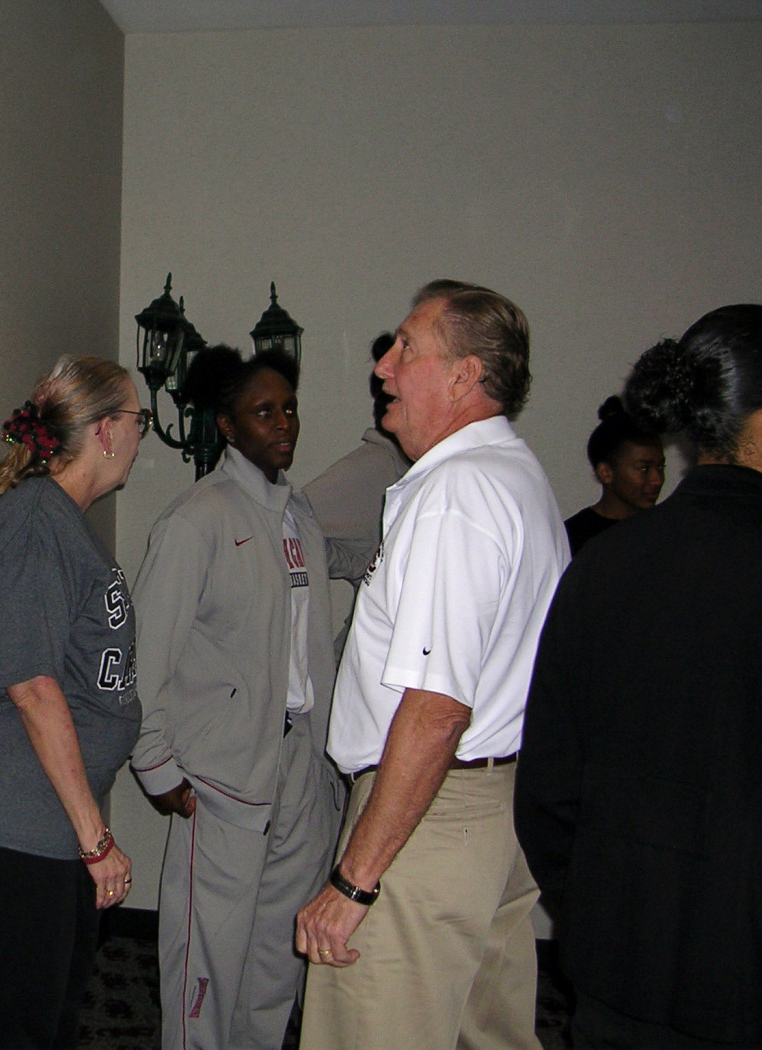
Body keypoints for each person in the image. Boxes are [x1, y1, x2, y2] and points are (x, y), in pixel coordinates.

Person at [516, 305, 762, 1050]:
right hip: (761, 990)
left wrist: (597, 912)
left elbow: (548, 790)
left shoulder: (605, 567)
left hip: (617, 970)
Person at [295, 280, 567, 1050]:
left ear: (463, 376)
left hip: (430, 811)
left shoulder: (458, 493)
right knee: (489, 1032)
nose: (382, 365)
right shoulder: (517, 475)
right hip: (492, 804)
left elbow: (438, 707)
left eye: (406, 348)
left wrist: (354, 882)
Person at [132, 345, 354, 1050]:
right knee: (208, 964)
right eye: (264, 411)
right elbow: (148, 656)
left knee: (274, 964)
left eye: (288, 407)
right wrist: (157, 764)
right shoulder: (196, 520)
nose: (284, 422)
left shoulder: (299, 517)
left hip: (297, 768)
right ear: (227, 426)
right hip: (221, 779)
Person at [0, 355, 146, 1050]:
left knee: (43, 1024)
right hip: (8, 830)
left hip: (37, 828)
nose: (141, 437)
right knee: (8, 1030)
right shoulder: (33, 523)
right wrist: (97, 838)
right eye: (139, 421)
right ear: (108, 431)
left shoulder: (56, 522)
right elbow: (32, 687)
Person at [304, 332, 412, 658]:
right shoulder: (374, 468)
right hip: (369, 671)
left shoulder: (430, 476)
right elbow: (283, 529)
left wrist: (362, 565)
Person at [564, 392, 665, 556]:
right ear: (606, 473)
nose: (657, 480)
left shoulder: (668, 531)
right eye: (644, 469)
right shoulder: (574, 538)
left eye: (661, 467)